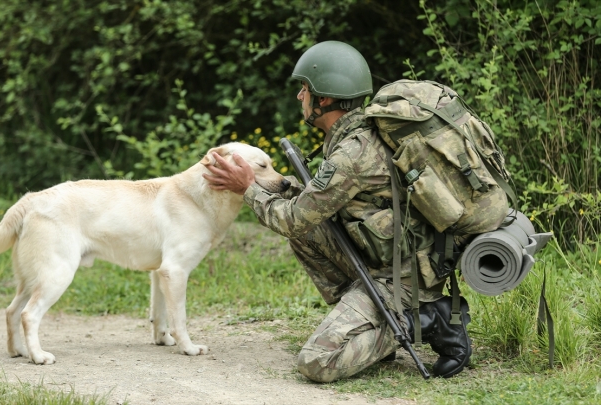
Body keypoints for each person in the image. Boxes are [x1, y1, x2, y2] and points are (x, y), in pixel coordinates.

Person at [202, 41, 471, 382]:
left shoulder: (352, 154)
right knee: (307, 234)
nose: (300, 97)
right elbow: (312, 212)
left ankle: (429, 319)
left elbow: (290, 219)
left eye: (305, 90)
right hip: (394, 260)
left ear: (323, 100)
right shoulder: (356, 134)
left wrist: (247, 187)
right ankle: (369, 326)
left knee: (317, 362)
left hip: (404, 281)